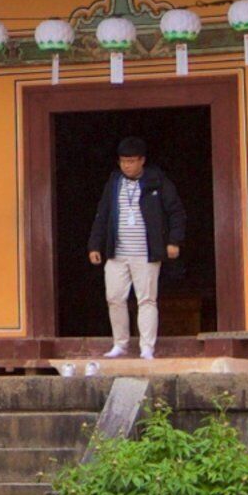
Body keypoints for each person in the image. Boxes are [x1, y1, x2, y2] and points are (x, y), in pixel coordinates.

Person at [83, 137, 187, 359]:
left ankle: (147, 347)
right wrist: (94, 244)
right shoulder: (114, 183)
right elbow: (102, 215)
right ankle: (120, 344)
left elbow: (176, 212)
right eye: (123, 161)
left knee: (147, 300)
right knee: (114, 297)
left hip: (146, 253)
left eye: (131, 161)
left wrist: (174, 240)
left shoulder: (157, 181)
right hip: (117, 253)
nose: (126, 165)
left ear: (142, 161)